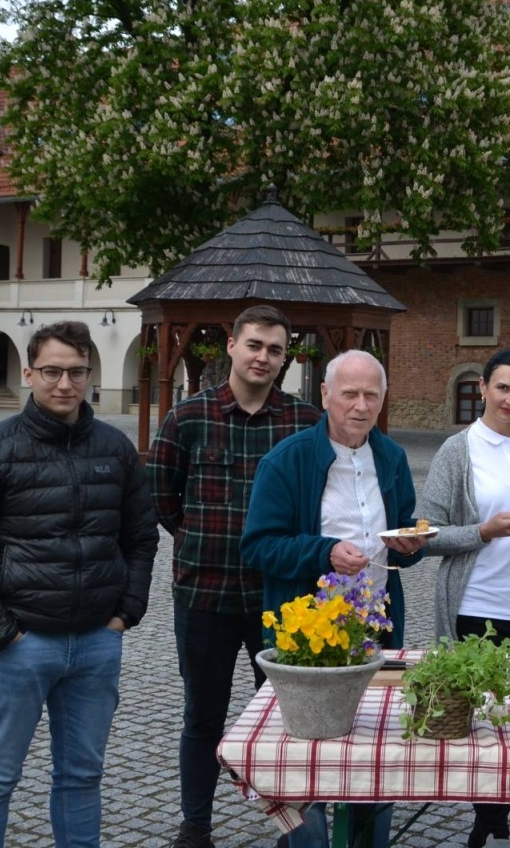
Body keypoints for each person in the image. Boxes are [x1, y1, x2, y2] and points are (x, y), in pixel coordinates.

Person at [0, 320, 158, 848]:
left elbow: (141, 536)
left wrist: (125, 613)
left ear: (90, 375)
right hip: (16, 647)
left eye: (77, 372)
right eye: (52, 371)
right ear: (28, 372)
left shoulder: (115, 449)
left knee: (82, 777)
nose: (64, 384)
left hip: (97, 642)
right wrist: (0, 634)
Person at [148, 305, 321, 848]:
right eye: (254, 345)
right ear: (232, 346)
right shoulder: (188, 417)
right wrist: (203, 542)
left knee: (293, 720)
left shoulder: (304, 422)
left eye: (274, 349)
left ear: (285, 356)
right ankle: (196, 827)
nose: (262, 357)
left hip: (285, 599)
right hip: (206, 593)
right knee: (203, 716)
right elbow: (162, 498)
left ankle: (294, 830)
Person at [241, 350, 428, 848]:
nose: (361, 406)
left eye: (371, 395)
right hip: (309, 639)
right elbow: (258, 546)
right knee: (310, 764)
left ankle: (372, 842)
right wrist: (323, 553)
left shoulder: (390, 457)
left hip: (377, 629)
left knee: (377, 749)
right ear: (325, 395)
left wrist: (408, 545)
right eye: (349, 394)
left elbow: (401, 539)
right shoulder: (288, 460)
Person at [417, 349, 510, 848]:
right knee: (482, 722)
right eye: (502, 388)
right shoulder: (458, 451)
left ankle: (506, 809)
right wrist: (483, 531)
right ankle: (488, 817)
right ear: (482, 387)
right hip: (480, 605)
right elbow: (428, 534)